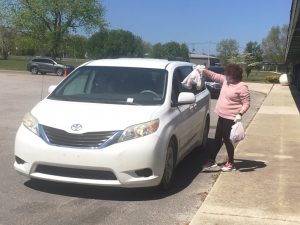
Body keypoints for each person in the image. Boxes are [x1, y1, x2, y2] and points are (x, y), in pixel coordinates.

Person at [197, 64, 250, 172]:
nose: (227, 77)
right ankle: (211, 161)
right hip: (221, 115)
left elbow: (246, 103)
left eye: (229, 75)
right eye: (227, 75)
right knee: (217, 139)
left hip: (231, 117)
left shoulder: (242, 86)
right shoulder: (225, 81)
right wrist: (204, 70)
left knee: (227, 140)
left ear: (235, 76)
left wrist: (240, 113)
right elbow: (214, 76)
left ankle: (230, 163)